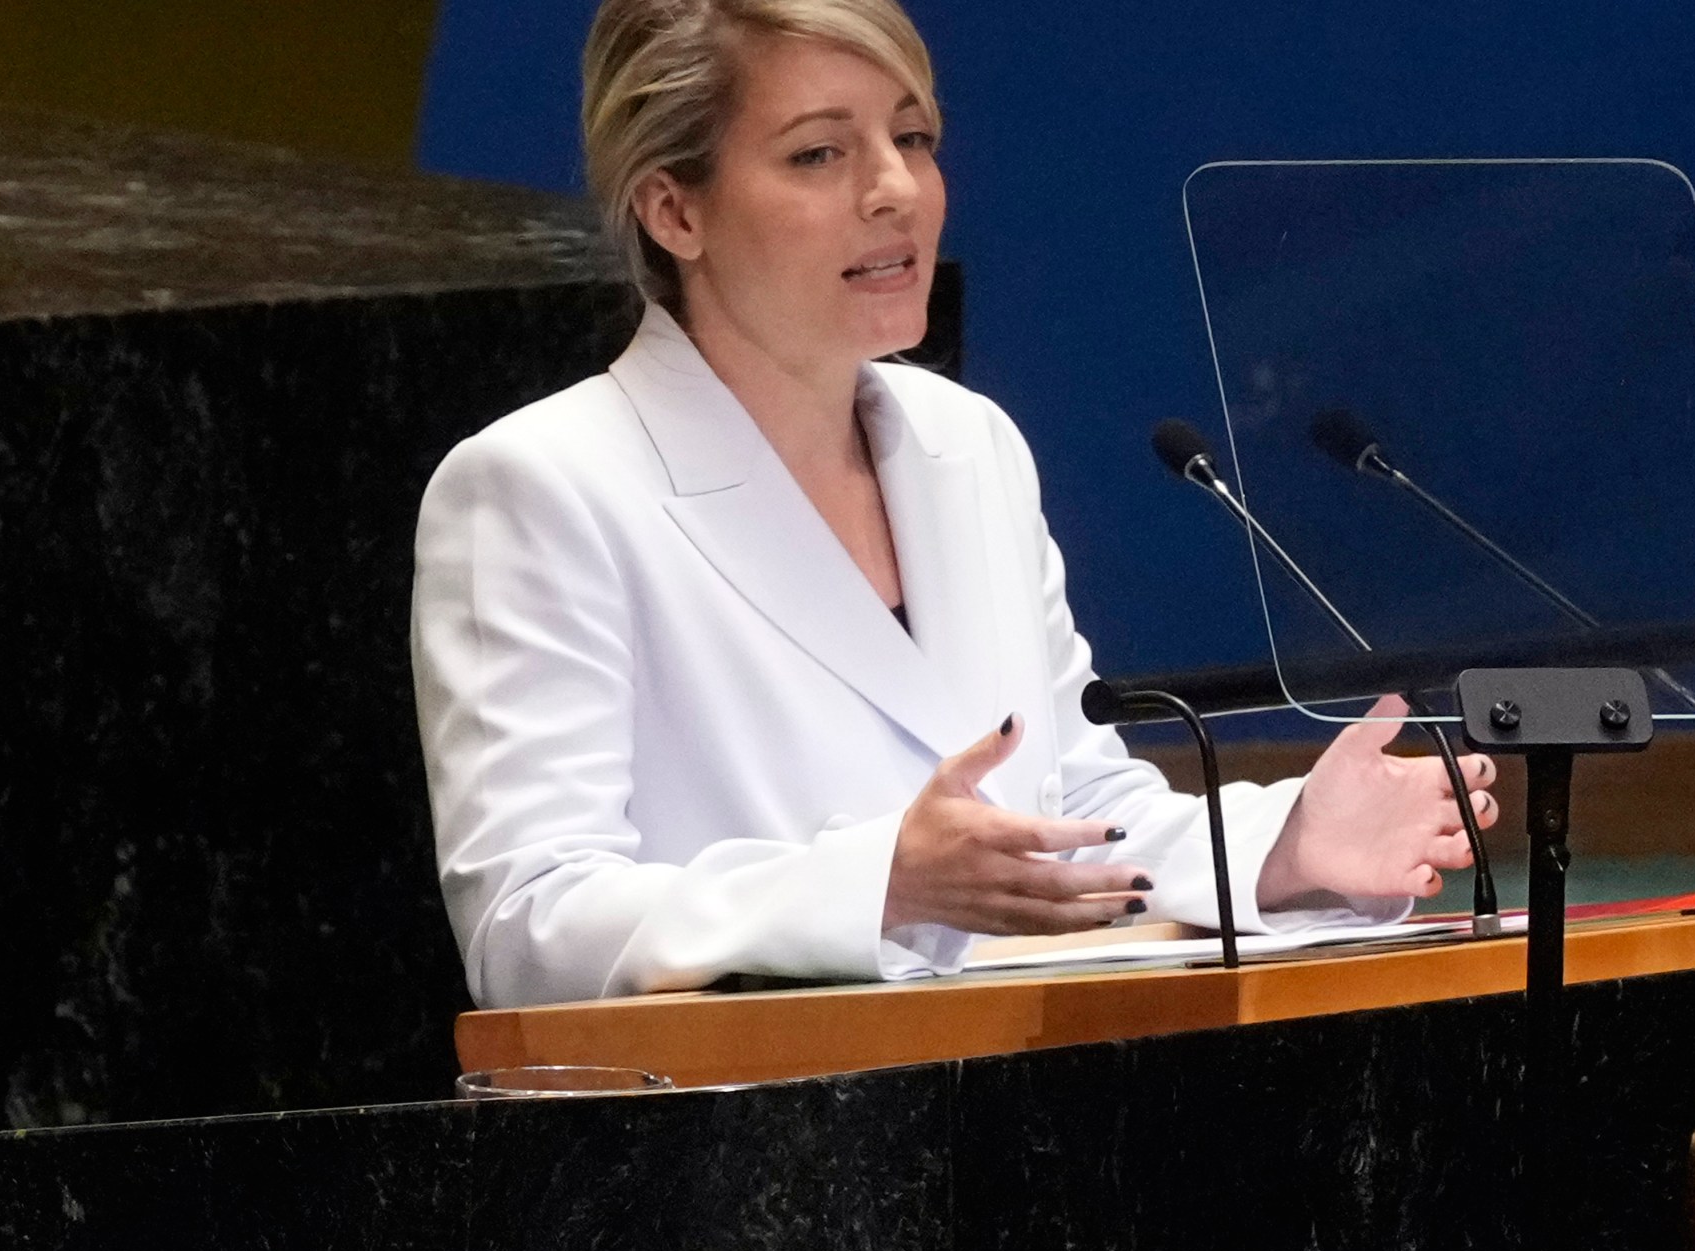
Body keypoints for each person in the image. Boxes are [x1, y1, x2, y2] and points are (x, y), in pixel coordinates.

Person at [410, 0, 1498, 1009]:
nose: (893, 190)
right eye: (819, 153)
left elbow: (1069, 818)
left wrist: (1286, 844)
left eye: (913, 138)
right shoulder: (543, 485)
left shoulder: (965, 445)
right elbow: (525, 928)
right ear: (673, 210)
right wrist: (880, 884)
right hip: (738, 1161)